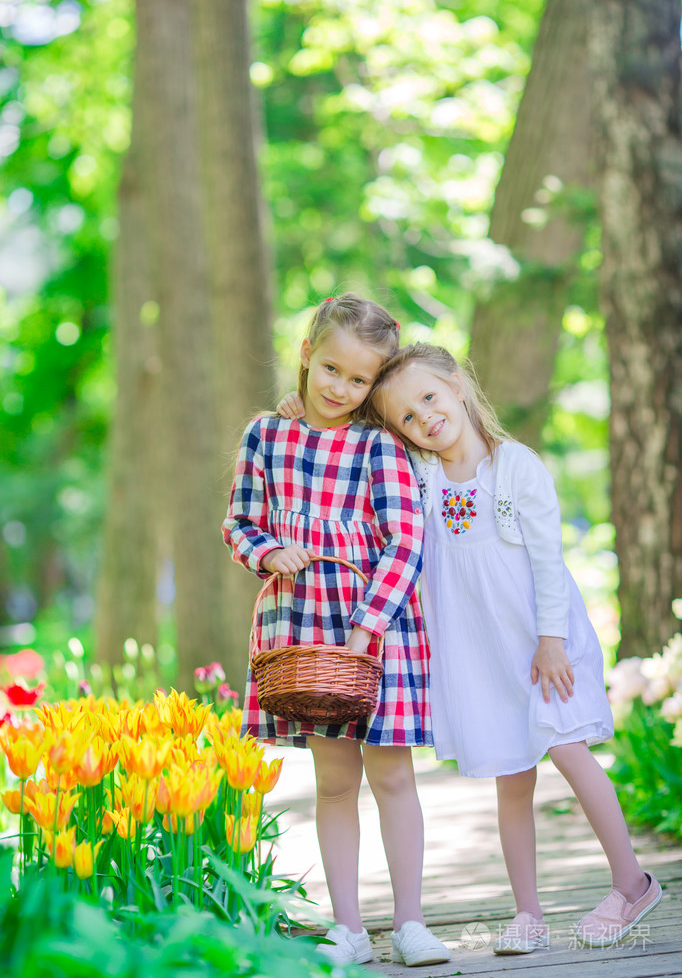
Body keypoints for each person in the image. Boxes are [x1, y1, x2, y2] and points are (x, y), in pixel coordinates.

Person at [364, 341, 663, 954]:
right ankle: (527, 914)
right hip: (481, 653)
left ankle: (632, 883)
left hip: (539, 643)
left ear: (458, 386)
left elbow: (549, 561)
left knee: (570, 751)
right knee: (511, 776)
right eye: (408, 419)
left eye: (429, 398)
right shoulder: (422, 478)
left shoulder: (514, 466)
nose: (425, 419)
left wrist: (552, 641)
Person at [222, 296, 450, 968]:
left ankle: (410, 920)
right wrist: (267, 551)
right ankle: (347, 925)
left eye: (357, 380)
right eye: (330, 369)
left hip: (376, 636)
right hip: (303, 634)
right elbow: (240, 521)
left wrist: (369, 626)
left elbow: (405, 540)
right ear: (305, 352)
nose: (339, 389)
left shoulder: (379, 444)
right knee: (332, 782)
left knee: (394, 778)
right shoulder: (266, 435)